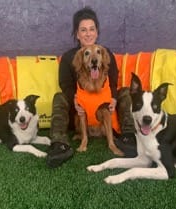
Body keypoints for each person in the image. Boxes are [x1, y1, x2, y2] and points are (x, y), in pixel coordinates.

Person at [46, 6, 136, 168]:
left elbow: (113, 81)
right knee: (59, 97)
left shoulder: (105, 53)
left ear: (97, 32)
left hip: (104, 110)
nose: (88, 33)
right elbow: (65, 84)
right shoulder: (68, 57)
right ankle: (59, 144)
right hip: (80, 111)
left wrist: (113, 97)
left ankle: (128, 137)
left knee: (125, 92)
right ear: (77, 34)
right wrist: (75, 98)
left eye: (92, 29)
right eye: (83, 30)